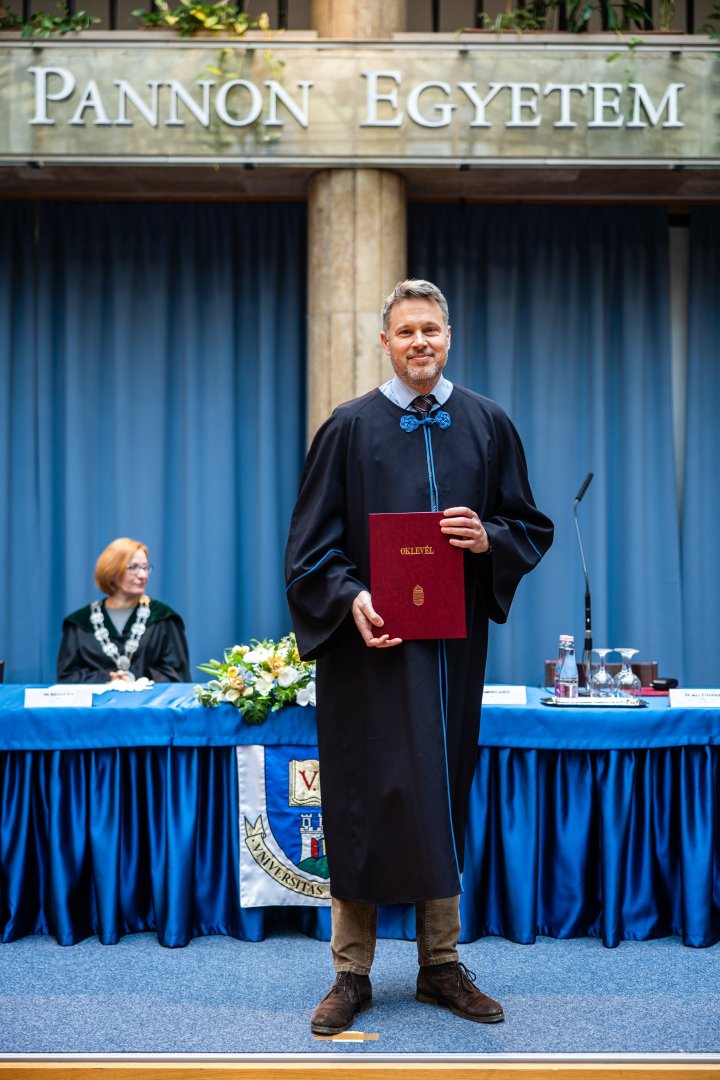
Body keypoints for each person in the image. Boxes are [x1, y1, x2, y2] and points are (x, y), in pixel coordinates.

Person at [285, 279, 553, 1035]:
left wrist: (488, 539)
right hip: (368, 654)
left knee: (441, 794)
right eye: (405, 332)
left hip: (449, 657)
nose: (420, 342)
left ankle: (440, 965)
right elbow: (308, 553)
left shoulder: (488, 424)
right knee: (361, 801)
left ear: (448, 336)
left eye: (430, 329)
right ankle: (351, 971)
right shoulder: (347, 428)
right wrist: (350, 600)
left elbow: (527, 525)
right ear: (385, 342)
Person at [57, 537, 190, 683]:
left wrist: (137, 679)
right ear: (112, 571)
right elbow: (67, 677)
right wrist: (108, 679)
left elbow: (178, 675)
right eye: (133, 567)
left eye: (145, 568)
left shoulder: (163, 619)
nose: (143, 575)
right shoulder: (80, 623)